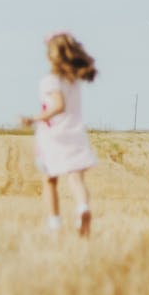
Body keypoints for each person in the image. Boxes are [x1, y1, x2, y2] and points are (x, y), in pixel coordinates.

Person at [21, 32, 98, 235]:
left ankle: (54, 223)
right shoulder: (73, 81)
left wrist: (35, 118)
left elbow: (59, 106)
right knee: (76, 178)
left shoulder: (51, 81)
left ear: (51, 55)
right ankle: (83, 208)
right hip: (75, 132)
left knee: (49, 179)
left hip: (53, 135)